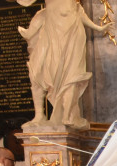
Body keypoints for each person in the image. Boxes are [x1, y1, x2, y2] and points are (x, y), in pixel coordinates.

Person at [17, 0, 111, 130]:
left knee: (71, 76)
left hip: (72, 34)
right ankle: (39, 115)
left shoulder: (75, 6)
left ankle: (67, 115)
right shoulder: (44, 13)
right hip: (51, 35)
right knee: (36, 70)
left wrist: (98, 28)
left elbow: (78, 11)